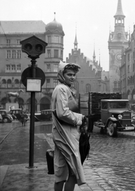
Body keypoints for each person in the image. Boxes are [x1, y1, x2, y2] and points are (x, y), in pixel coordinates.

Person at [51, 61, 86, 191]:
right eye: (69, 74)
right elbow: (62, 113)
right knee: (72, 172)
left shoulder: (64, 88)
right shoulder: (61, 89)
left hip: (63, 135)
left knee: (61, 173)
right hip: (66, 135)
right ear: (62, 74)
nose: (72, 77)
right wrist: (80, 118)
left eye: (74, 75)